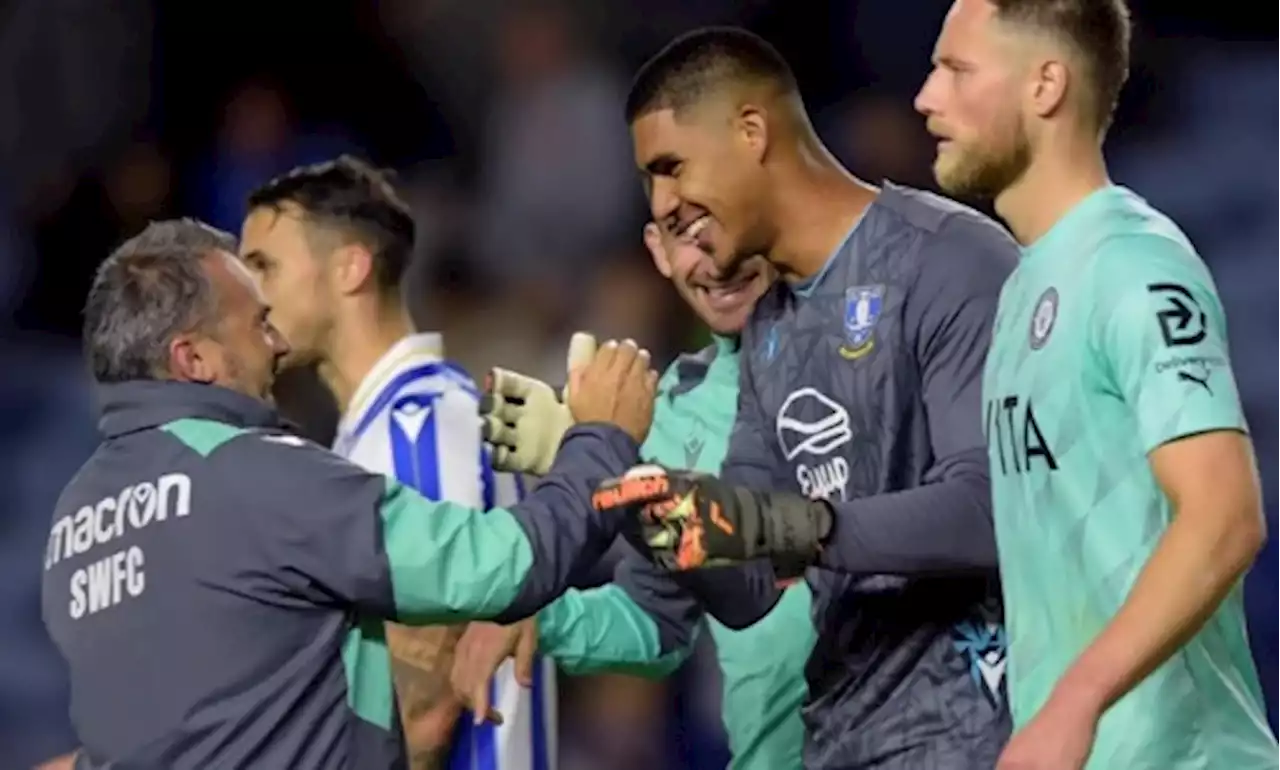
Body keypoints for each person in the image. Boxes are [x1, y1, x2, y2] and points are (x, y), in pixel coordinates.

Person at [40, 218, 656, 770]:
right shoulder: (256, 475)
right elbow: (503, 564)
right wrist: (601, 441)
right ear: (193, 358)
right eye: (256, 325)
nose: (277, 345)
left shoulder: (73, 521)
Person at [588, 27, 1022, 769]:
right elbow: (751, 584)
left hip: (972, 736)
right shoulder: (771, 328)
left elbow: (992, 510)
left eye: (671, 167)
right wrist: (661, 520)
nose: (665, 204)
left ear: (751, 131)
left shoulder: (949, 258)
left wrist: (793, 524)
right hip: (836, 742)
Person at [913, 2, 1280, 769]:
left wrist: (1075, 701)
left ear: (1046, 85)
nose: (926, 97)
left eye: (957, 70)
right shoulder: (1022, 290)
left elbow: (1226, 517)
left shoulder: (1132, 265)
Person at [238, 155, 561, 770]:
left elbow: (431, 687)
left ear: (351, 268)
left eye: (264, 268)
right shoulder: (381, 430)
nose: (250, 297)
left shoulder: (417, 426)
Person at [455, 219, 814, 770]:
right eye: (682, 231)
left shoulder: (865, 343)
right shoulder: (671, 403)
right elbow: (660, 620)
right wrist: (538, 616)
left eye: (720, 219)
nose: (712, 257)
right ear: (659, 251)